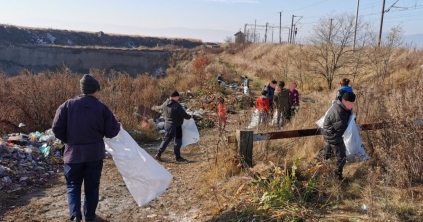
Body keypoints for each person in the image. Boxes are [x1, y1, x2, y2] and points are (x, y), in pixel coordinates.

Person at [52, 74, 120, 222]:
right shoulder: (102, 108)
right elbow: (112, 132)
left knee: (72, 185)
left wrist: (68, 140)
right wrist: (117, 124)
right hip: (94, 154)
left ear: (82, 89)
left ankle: (75, 215)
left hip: (73, 154)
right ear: (96, 90)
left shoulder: (67, 105)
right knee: (92, 186)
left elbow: (56, 128)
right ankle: (89, 216)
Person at [323, 92, 356, 181]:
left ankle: (323, 163)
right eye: (350, 103)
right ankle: (337, 177)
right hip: (334, 135)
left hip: (330, 134)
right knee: (341, 157)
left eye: (352, 103)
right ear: (344, 101)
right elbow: (342, 129)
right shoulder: (338, 111)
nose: (351, 105)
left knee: (329, 150)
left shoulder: (342, 107)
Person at [155, 91, 192, 162]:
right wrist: (191, 117)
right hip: (176, 126)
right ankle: (178, 157)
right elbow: (185, 115)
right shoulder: (177, 106)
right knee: (177, 142)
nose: (178, 98)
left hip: (167, 125)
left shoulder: (164, 104)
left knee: (166, 139)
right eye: (178, 97)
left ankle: (158, 154)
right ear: (176, 96)